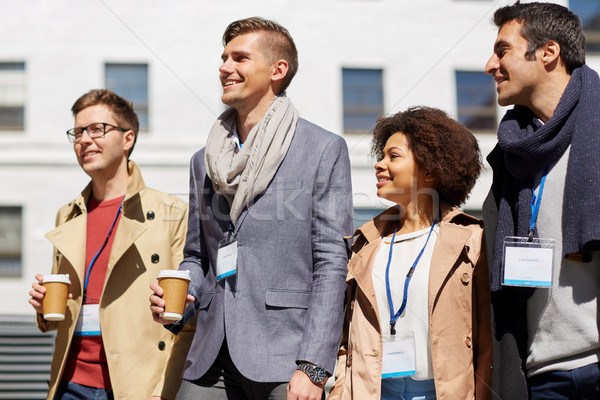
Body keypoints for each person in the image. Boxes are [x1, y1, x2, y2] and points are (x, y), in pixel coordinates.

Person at [149, 17, 353, 400]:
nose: (224, 67)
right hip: (211, 353)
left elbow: (331, 262)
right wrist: (181, 292)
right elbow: (197, 256)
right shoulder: (202, 161)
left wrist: (313, 366)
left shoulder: (323, 149)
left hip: (285, 355)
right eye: (224, 57)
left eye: (239, 58)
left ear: (278, 70)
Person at [28, 89, 192, 399]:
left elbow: (187, 319)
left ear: (127, 139)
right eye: (77, 132)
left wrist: (163, 390)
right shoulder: (68, 214)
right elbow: (60, 314)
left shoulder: (172, 213)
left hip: (136, 386)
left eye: (96, 129)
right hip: (70, 384)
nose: (84, 140)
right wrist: (43, 306)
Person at [328, 106, 492, 400]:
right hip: (374, 392)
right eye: (381, 156)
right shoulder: (364, 244)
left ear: (429, 168)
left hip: (441, 393)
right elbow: (347, 339)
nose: (379, 164)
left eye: (393, 156)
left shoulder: (471, 240)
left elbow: (484, 342)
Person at [483, 1, 600, 399]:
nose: (490, 65)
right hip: (544, 376)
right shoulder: (510, 158)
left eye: (503, 51)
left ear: (548, 52)